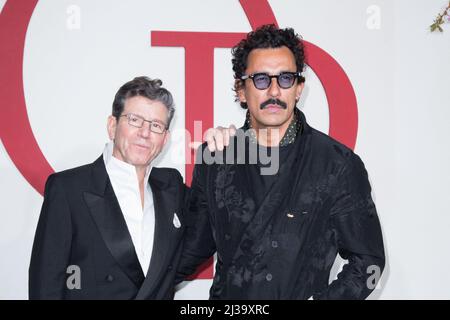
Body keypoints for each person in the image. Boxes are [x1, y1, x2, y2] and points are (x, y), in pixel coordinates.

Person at [177, 24, 385, 299]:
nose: (274, 91)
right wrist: (128, 280)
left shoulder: (337, 164)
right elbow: (191, 249)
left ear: (299, 89)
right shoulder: (216, 158)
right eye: (261, 79)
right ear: (241, 89)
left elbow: (368, 261)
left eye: (285, 79)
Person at [30, 76, 214, 299]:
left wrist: (216, 158)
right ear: (112, 125)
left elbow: (202, 237)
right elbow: (47, 283)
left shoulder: (171, 186)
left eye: (156, 125)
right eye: (135, 120)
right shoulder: (69, 188)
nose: (145, 133)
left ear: (165, 139)